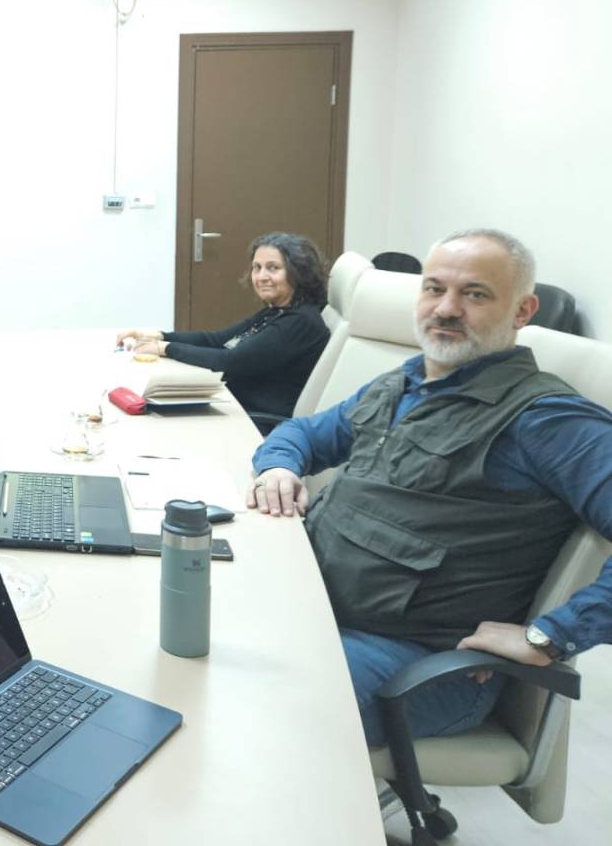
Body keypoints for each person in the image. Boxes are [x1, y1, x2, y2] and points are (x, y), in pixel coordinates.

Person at [248, 229, 612, 749]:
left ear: (522, 311)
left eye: (475, 294)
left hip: (414, 661)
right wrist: (279, 468)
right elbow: (303, 432)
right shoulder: (403, 383)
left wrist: (550, 636)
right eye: (434, 289)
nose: (446, 308)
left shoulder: (545, 418)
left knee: (235, 706)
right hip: (314, 607)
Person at [116, 232, 331, 424]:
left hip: (253, 420)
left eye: (273, 268)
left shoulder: (300, 321)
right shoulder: (276, 311)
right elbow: (217, 340)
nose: (261, 276)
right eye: (257, 268)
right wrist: (157, 335)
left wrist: (164, 348)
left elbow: (230, 362)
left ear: (298, 272)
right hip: (235, 405)